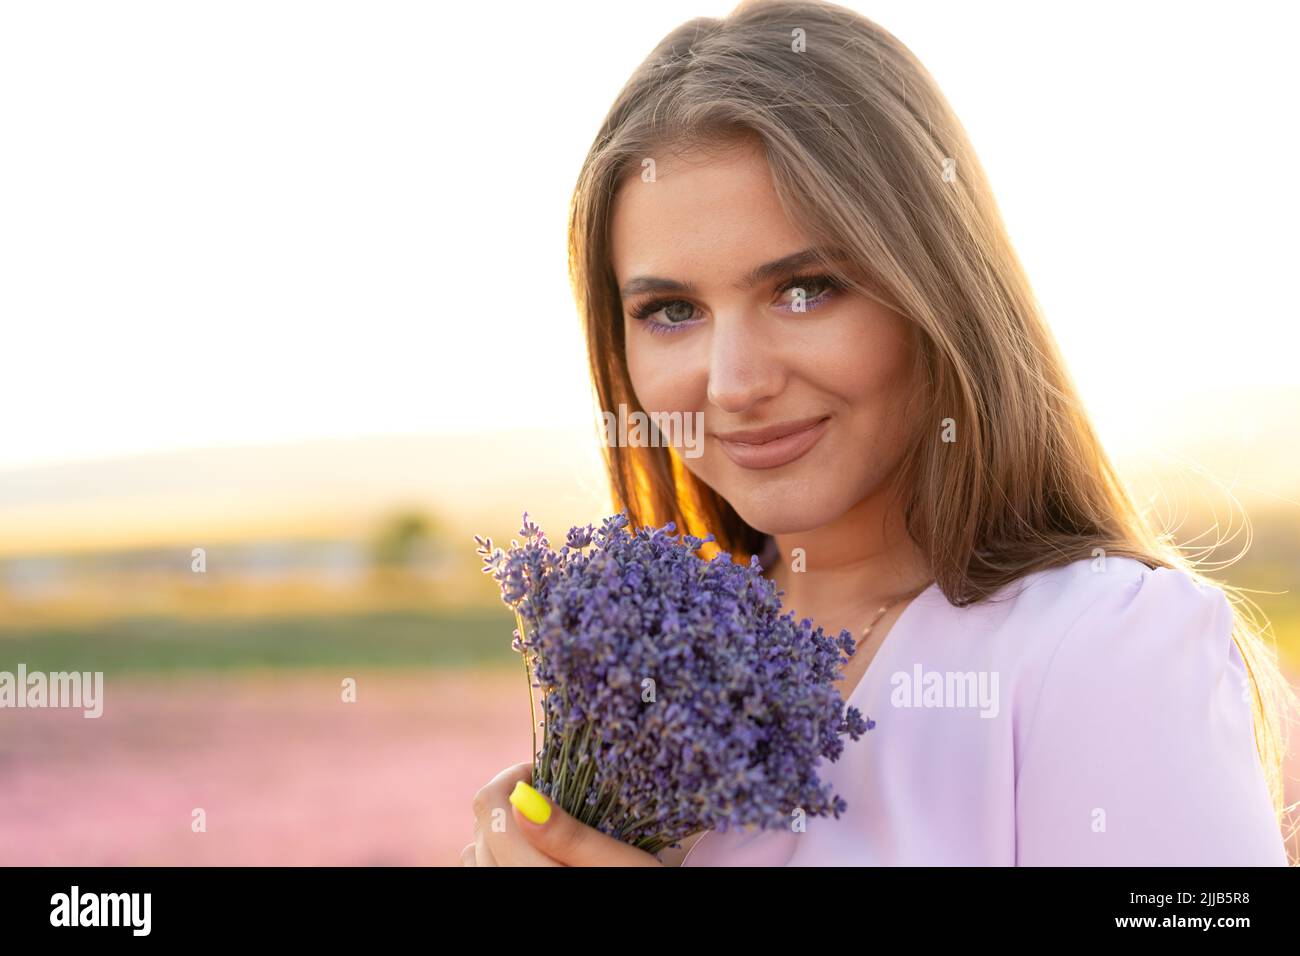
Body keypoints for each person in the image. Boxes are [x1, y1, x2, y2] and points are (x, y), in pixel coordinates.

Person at [461, 0, 1294, 866]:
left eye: (805, 288)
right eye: (671, 310)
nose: (735, 382)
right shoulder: (653, 674)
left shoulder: (1103, 646)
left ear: (937, 288)